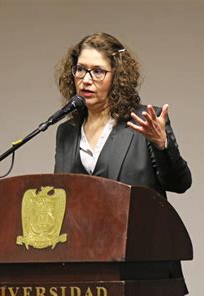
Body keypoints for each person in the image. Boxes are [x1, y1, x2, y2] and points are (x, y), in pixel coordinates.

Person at [54, 32, 192, 198]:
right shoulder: (67, 131)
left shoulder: (145, 122)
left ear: (117, 77)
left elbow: (179, 183)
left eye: (98, 72)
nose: (86, 80)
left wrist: (162, 145)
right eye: (81, 69)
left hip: (135, 223)